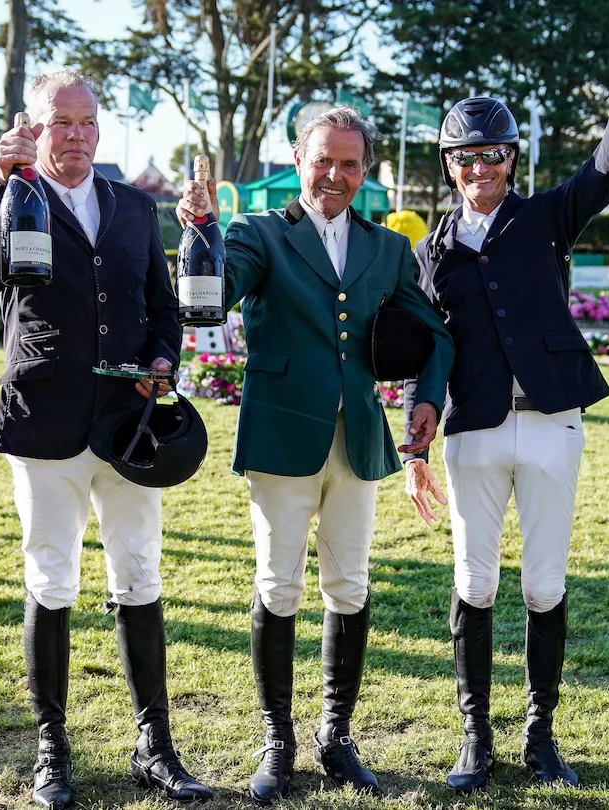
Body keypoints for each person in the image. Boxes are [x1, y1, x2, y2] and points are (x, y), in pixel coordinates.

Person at [397, 23, 609, 793]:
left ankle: (541, 736)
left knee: (545, 584)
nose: (480, 168)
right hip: (473, 429)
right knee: (474, 583)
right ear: (448, 165)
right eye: (466, 157)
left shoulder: (547, 216)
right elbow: (424, 349)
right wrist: (415, 442)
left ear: (513, 158)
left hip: (551, 423)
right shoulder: (432, 251)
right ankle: (475, 737)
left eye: (493, 154)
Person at [177, 107, 454, 802]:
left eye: (350, 164)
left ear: (366, 171)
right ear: (299, 159)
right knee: (279, 586)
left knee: (350, 586)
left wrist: (427, 396)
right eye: (323, 160)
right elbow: (214, 295)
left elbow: (435, 332)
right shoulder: (258, 233)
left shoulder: (388, 248)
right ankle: (278, 739)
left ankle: (337, 736)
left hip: (357, 439)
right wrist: (201, 234)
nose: (335, 175)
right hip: (280, 434)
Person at [0, 69, 210, 809]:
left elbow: (161, 305)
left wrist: (163, 359)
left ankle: (155, 746)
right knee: (51, 579)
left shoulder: (134, 206)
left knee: (140, 572)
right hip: (45, 417)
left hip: (128, 423)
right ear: (32, 128)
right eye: (59, 122)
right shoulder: (15, 195)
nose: (76, 135)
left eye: (87, 122)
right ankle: (52, 749)